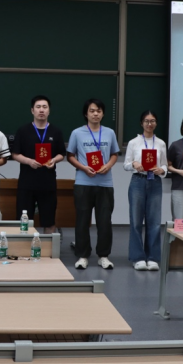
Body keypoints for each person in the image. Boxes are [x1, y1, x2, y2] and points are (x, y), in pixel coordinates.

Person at [66, 98, 120, 270]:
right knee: (82, 221)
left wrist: (108, 166)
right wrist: (83, 168)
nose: (95, 114)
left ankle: (103, 256)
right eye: (92, 110)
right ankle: (82, 256)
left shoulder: (109, 133)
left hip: (105, 183)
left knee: (104, 222)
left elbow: (114, 154)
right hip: (83, 182)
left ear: (103, 114)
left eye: (98, 111)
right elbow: (70, 156)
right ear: (86, 113)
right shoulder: (77, 133)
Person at [11, 95, 67, 234]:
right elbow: (15, 154)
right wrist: (29, 161)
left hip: (47, 183)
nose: (41, 110)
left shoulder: (56, 131)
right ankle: (24, 246)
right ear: (32, 110)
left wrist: (54, 160)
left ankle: (48, 248)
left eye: (44, 107)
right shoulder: (23, 131)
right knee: (24, 220)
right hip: (27, 183)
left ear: (49, 111)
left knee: (49, 220)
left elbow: (62, 153)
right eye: (38, 107)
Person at [124, 110, 167, 271]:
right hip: (138, 181)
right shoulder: (133, 142)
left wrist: (161, 170)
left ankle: (153, 257)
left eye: (153, 121)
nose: (150, 124)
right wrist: (134, 164)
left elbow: (165, 165)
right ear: (141, 123)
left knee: (154, 221)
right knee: (136, 221)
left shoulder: (161, 143)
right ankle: (138, 258)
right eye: (147, 121)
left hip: (155, 182)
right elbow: (126, 164)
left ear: (156, 123)